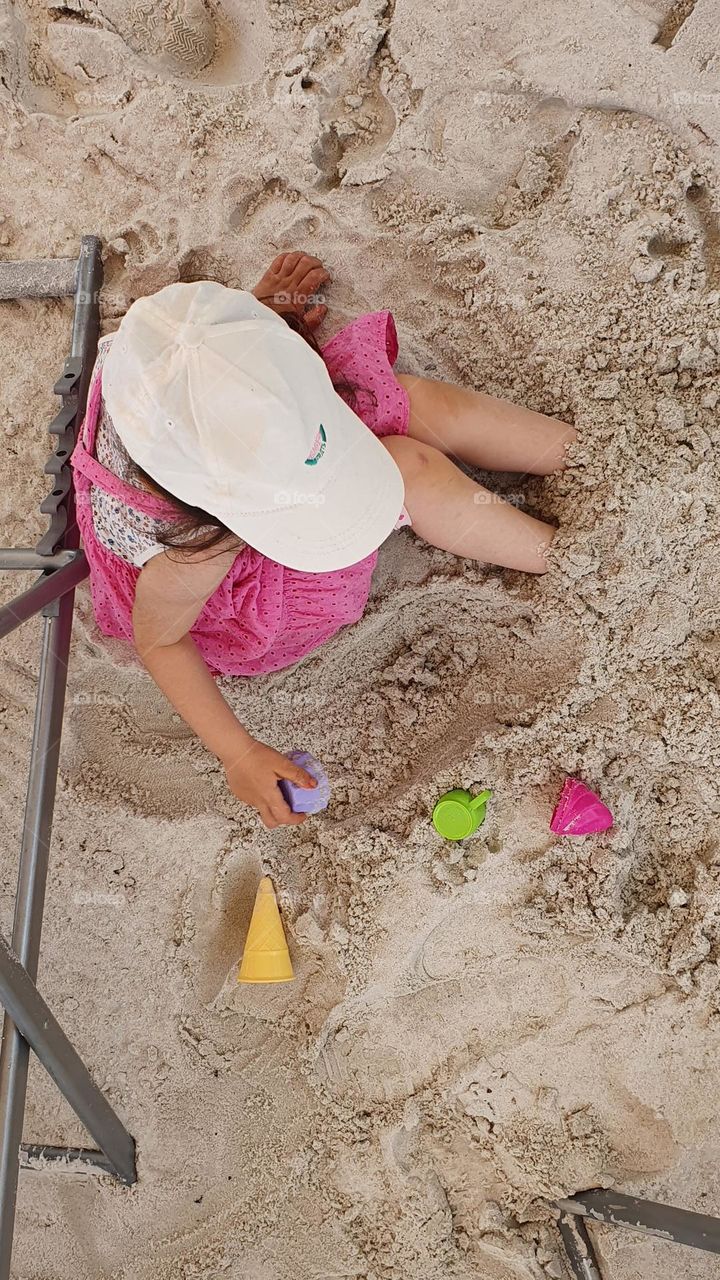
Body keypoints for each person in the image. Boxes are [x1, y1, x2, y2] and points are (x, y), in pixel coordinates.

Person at [70, 251, 576, 829]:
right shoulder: (194, 539)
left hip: (238, 461)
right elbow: (159, 640)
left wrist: (263, 320)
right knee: (408, 467)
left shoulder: (177, 347)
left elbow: (223, 379)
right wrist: (237, 753)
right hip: (247, 593)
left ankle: (582, 454)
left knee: (411, 400)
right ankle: (564, 557)